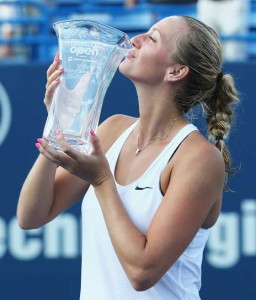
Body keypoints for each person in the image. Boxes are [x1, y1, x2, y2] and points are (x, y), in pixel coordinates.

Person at [17, 16, 239, 299]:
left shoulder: (199, 158)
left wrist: (101, 181)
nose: (135, 39)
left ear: (176, 71)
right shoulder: (112, 130)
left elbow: (142, 272)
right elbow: (31, 215)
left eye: (153, 38)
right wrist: (60, 123)